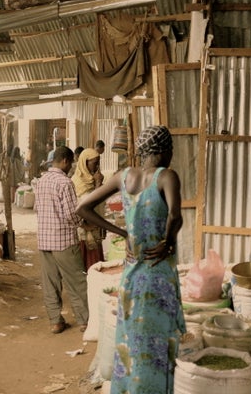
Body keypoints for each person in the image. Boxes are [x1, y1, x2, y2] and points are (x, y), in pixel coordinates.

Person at [77, 125, 185, 394]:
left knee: (131, 345)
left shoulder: (122, 177)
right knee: (157, 347)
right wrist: (167, 242)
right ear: (164, 151)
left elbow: (83, 207)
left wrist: (122, 232)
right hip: (157, 277)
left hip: (131, 278)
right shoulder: (166, 176)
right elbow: (175, 215)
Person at [34, 145, 89, 334]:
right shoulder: (65, 183)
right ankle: (85, 321)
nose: (71, 167)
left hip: (44, 240)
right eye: (71, 163)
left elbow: (37, 209)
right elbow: (71, 215)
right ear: (65, 161)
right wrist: (84, 222)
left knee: (50, 283)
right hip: (63, 241)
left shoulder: (41, 181)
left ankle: (55, 321)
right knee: (77, 282)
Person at [71, 148, 106, 270]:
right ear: (84, 163)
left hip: (95, 229)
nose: (97, 166)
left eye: (98, 163)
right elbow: (88, 205)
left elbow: (100, 205)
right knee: (86, 267)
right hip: (83, 232)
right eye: (94, 163)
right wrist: (97, 185)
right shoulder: (76, 182)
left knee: (96, 268)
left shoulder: (95, 180)